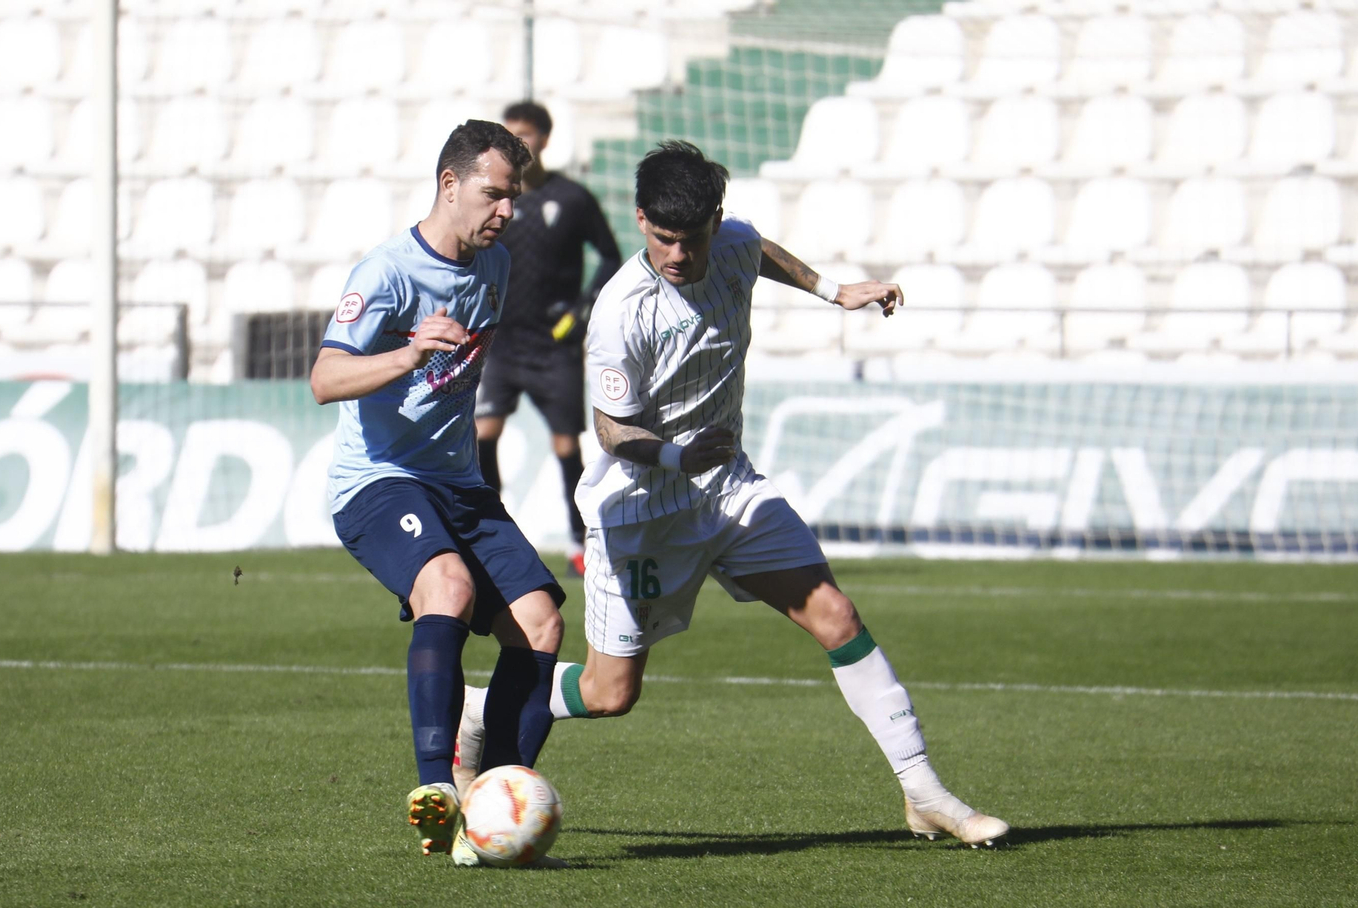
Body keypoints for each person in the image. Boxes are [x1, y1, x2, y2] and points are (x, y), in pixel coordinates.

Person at [457, 141, 1010, 847]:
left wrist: (833, 291)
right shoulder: (623, 310)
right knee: (610, 694)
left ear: (717, 221)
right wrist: (678, 454)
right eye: (661, 238)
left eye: (691, 238)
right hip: (640, 513)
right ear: (639, 220)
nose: (678, 255)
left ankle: (926, 793)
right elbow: (608, 429)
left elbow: (760, 251)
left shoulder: (734, 242)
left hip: (728, 492)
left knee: (836, 616)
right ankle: (483, 707)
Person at [311, 120, 567, 862]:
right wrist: (408, 351)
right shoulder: (386, 273)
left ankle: (497, 799)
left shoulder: (496, 266)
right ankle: (438, 794)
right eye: (493, 193)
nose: (506, 211)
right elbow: (325, 379)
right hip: (378, 483)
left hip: (457, 482)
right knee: (447, 587)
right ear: (449, 186)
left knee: (542, 622)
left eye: (512, 196)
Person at [475, 101, 622, 578]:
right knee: (483, 433)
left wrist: (581, 311)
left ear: (544, 139)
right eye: (510, 135)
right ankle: (490, 535)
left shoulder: (572, 198)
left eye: (527, 135)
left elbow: (610, 257)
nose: (520, 144)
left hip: (553, 344)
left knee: (565, 446)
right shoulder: (495, 198)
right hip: (501, 340)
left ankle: (581, 543)